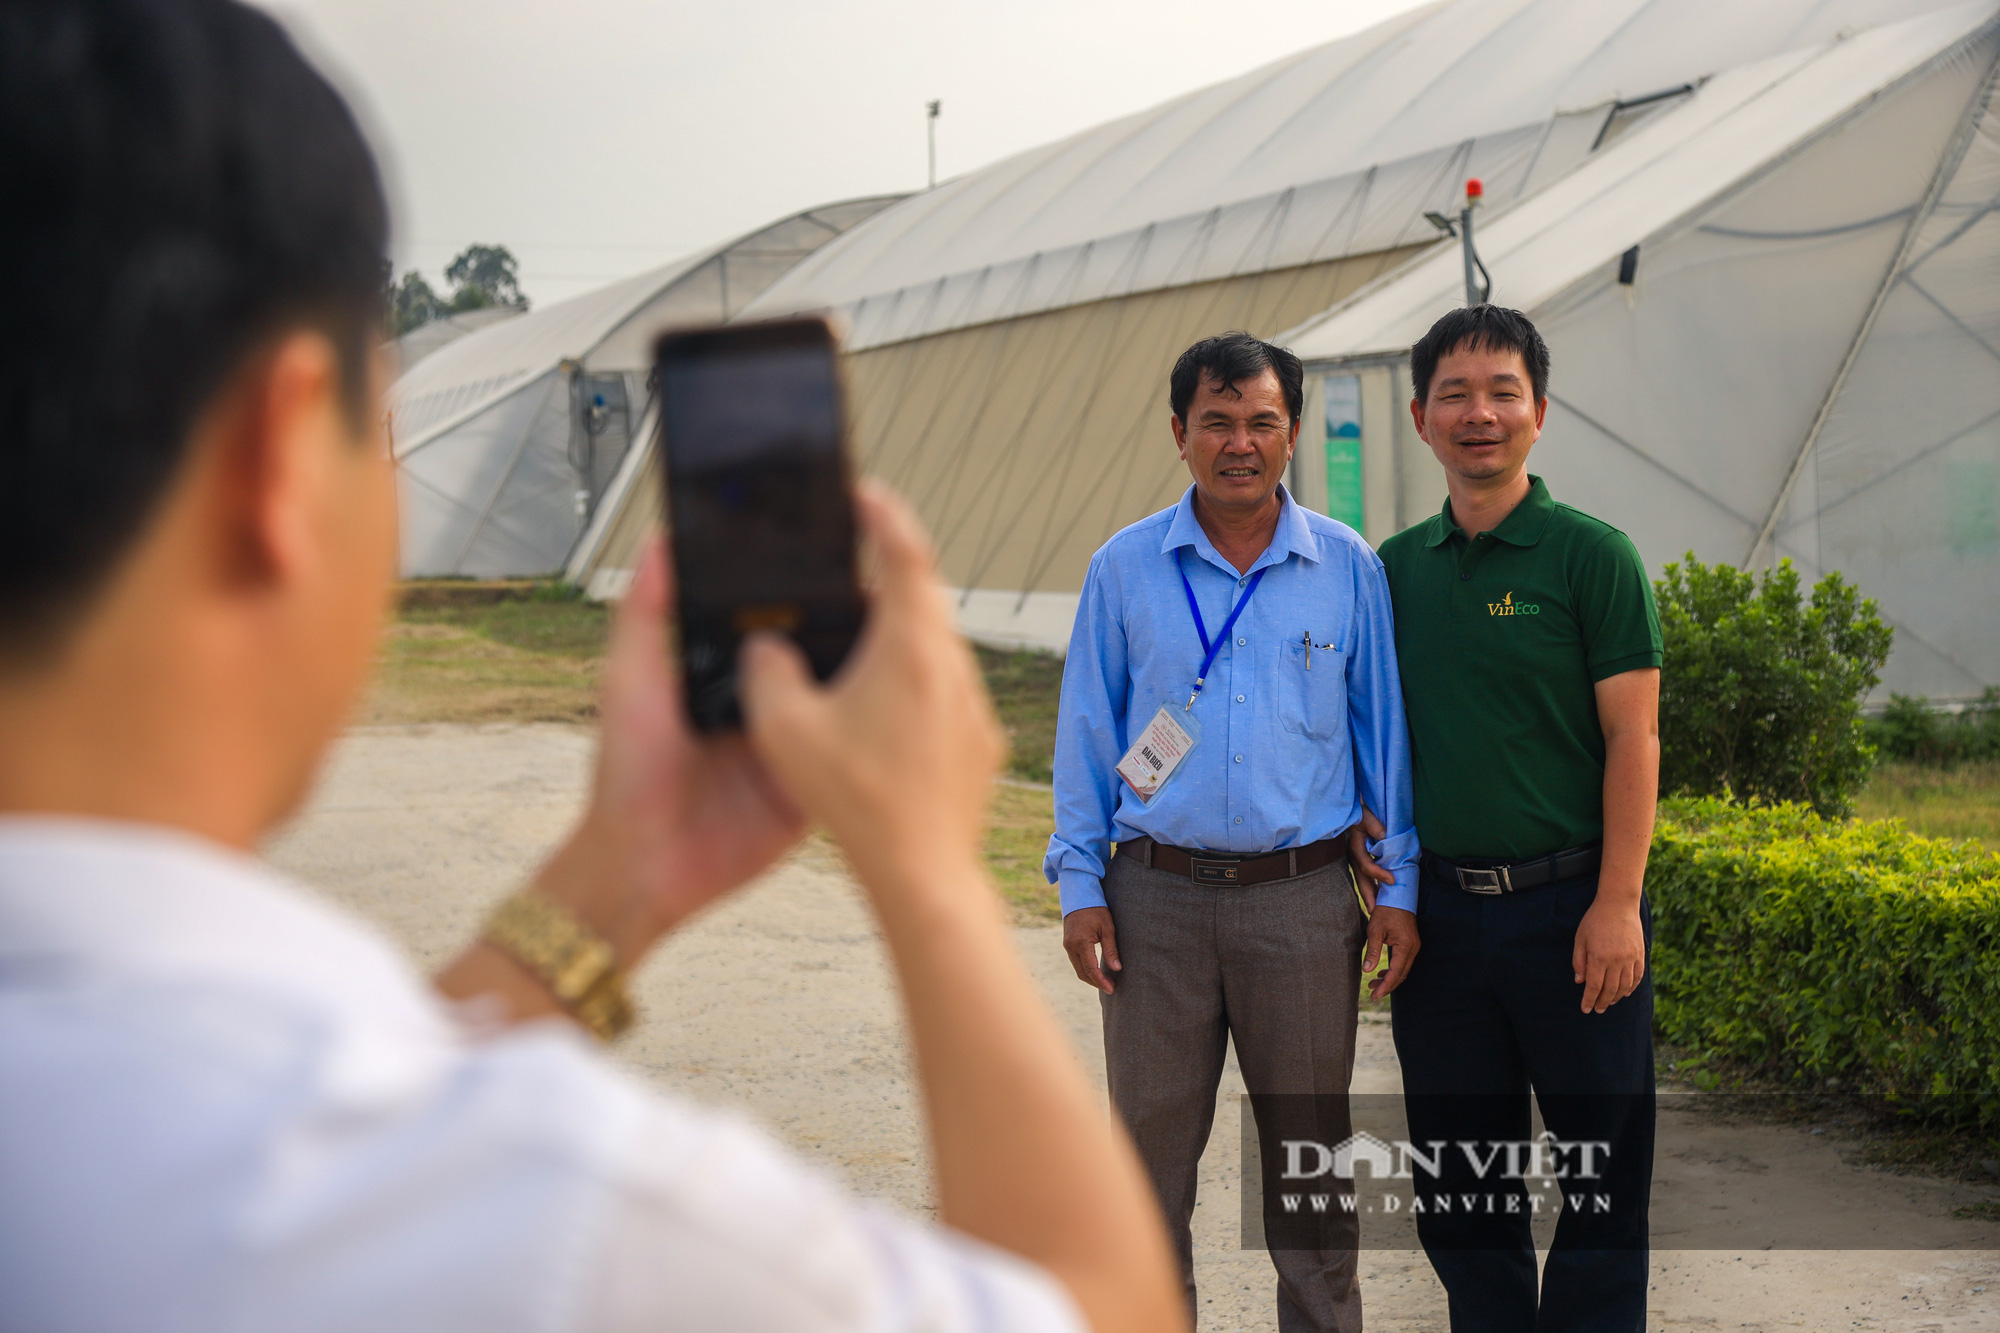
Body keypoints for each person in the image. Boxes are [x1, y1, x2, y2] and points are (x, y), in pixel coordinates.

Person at [0, 4, 1186, 1330]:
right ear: (276, 455)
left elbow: (339, 1123)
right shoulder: (559, 1220)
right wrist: (926, 868)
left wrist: (618, 878)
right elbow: (1097, 1306)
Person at [1045, 330, 1421, 1333]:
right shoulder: (1123, 568)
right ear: (1180, 434)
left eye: (1260, 420)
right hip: (1152, 902)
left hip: (1299, 908)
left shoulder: (1345, 567)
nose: (1239, 441)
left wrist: (1398, 890)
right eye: (1216, 420)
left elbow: (1381, 742)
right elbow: (1087, 734)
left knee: (1307, 1174)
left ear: (1290, 431)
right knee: (1145, 1170)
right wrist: (1080, 884)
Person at [1351, 306, 1662, 1333]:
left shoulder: (1590, 557)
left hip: (1574, 911)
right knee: (1460, 1186)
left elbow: (1633, 739)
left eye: (1500, 393)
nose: (1477, 414)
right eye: (1453, 394)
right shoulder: (1389, 571)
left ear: (1538, 412)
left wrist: (1616, 901)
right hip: (1441, 920)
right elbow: (1370, 730)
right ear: (1417, 416)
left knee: (1600, 1177)